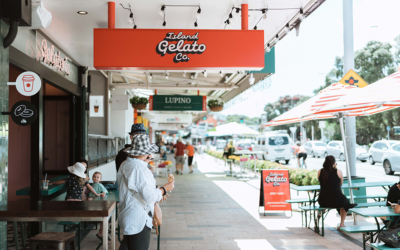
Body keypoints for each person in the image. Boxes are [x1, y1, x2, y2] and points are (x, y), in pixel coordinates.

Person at [118, 134, 175, 250]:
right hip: (139, 218)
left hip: (127, 214)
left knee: (126, 245)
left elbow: (137, 186)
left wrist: (158, 191)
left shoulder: (125, 164)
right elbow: (150, 196)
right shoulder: (141, 169)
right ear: (144, 153)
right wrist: (164, 189)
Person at [317, 156, 357, 227]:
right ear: (334, 163)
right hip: (336, 200)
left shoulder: (320, 171)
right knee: (345, 203)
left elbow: (321, 183)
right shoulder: (338, 171)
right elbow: (340, 184)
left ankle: (317, 220)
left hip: (323, 200)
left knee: (322, 206)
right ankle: (342, 223)